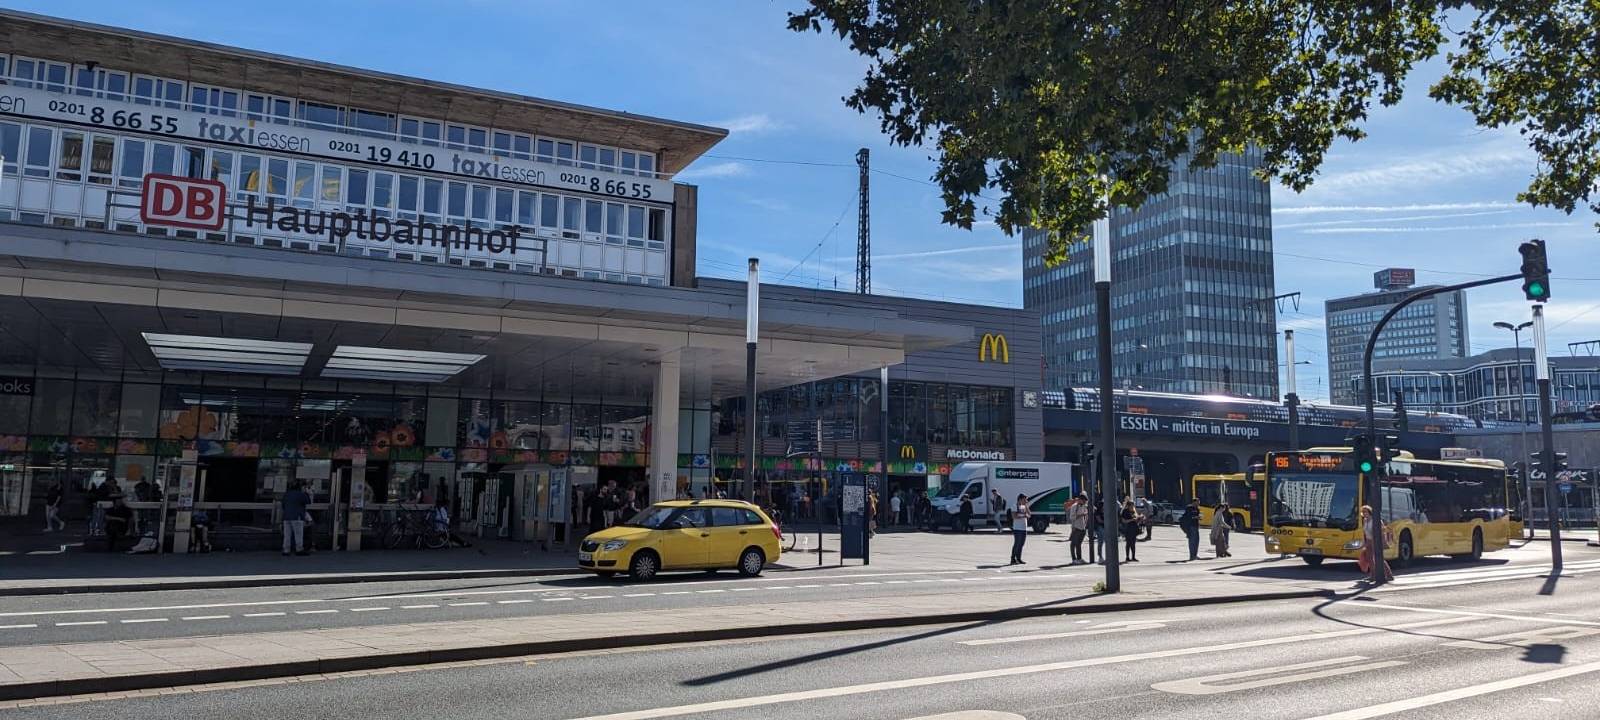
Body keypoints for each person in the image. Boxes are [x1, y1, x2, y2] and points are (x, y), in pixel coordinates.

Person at [1358, 505, 1394, 581]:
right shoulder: (1365, 520)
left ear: (1369, 512)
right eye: (1363, 512)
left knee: (1379, 558)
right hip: (1368, 540)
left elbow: (1382, 530)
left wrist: (1379, 540)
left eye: (1365, 512)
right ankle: (1373, 575)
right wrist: (1364, 543)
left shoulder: (1376, 520)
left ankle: (1389, 574)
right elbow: (1365, 532)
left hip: (1376, 541)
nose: (1364, 514)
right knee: (1370, 558)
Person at [281, 480, 311, 556]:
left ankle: (286, 550)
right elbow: (308, 501)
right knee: (298, 534)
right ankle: (299, 549)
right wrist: (306, 492)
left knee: (287, 534)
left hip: (286, 516)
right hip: (297, 516)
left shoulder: (287, 494)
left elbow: (283, 505)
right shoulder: (300, 494)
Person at [1009, 494, 1031, 565]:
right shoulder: (1014, 506)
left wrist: (1027, 507)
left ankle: (1018, 559)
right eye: (1025, 499)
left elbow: (1029, 514)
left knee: (1021, 544)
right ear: (1020, 499)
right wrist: (1024, 516)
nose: (1026, 501)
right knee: (1017, 544)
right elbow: (1014, 516)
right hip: (1017, 528)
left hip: (1024, 528)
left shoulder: (1024, 506)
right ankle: (1012, 559)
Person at [1067, 493, 1089, 564]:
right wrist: (1082, 515)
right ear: (1080, 500)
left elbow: (1086, 515)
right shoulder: (1074, 507)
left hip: (1082, 527)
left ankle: (1079, 558)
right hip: (1076, 527)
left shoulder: (1084, 506)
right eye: (1084, 501)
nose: (1085, 502)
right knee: (1073, 544)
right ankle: (1074, 559)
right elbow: (1072, 517)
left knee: (1078, 544)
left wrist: (1085, 525)